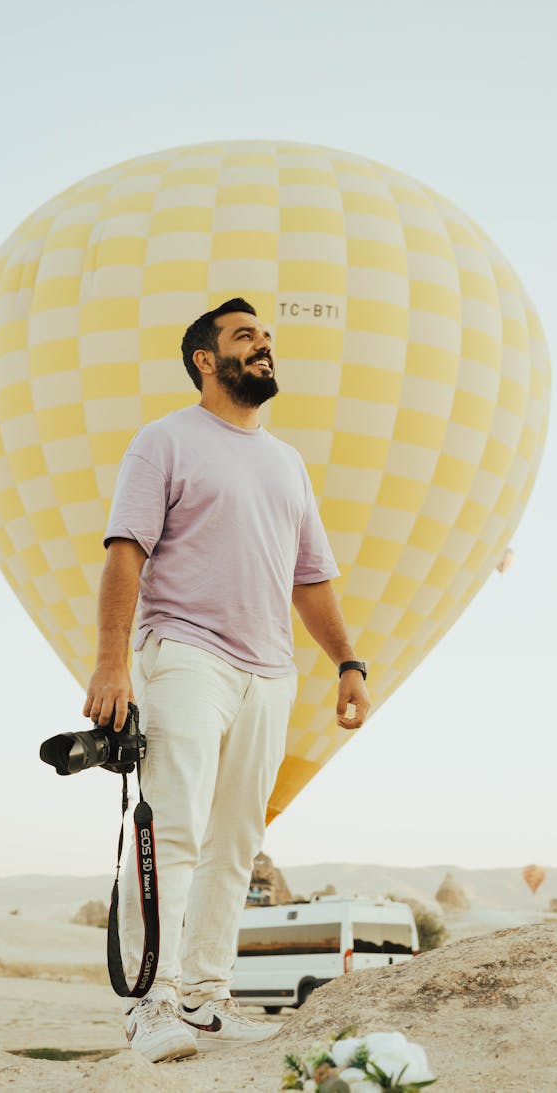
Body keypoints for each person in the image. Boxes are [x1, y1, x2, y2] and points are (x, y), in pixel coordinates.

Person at [83, 297, 370, 1063]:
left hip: (270, 669)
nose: (265, 347)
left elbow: (312, 579)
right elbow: (125, 555)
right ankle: (154, 1002)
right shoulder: (165, 441)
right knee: (172, 826)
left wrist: (347, 661)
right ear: (206, 360)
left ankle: (209, 997)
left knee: (237, 839)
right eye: (247, 337)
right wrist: (114, 661)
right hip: (185, 653)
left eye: (268, 337)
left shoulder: (287, 461)